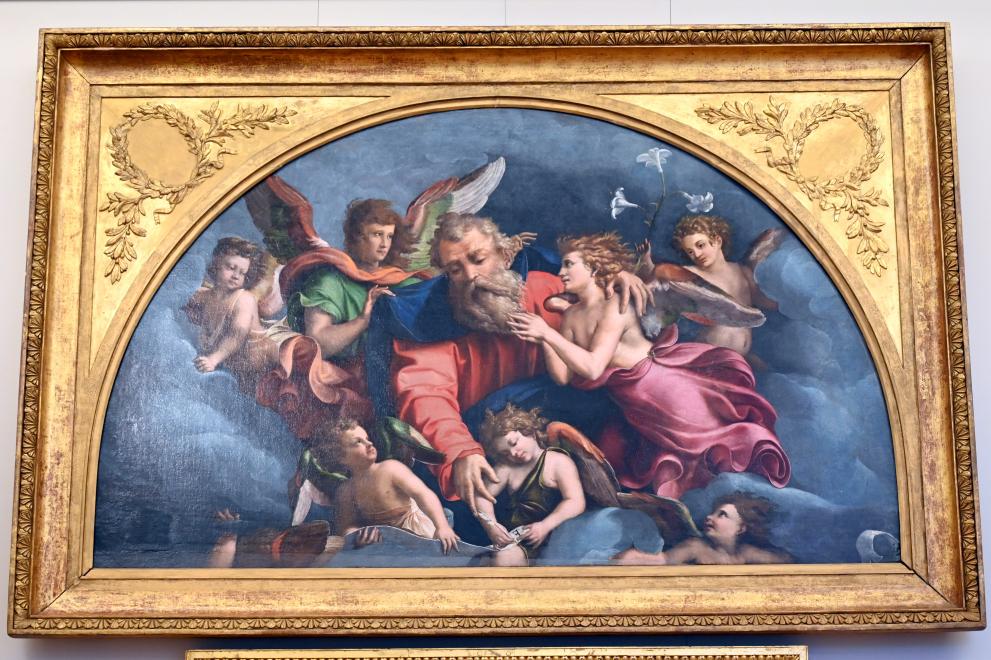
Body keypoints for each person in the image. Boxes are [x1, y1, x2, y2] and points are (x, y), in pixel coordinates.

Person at [389, 213, 650, 511]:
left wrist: (615, 279)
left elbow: (597, 309)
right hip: (489, 445)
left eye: (478, 259)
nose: (471, 275)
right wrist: (460, 451)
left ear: (505, 256)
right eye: (456, 270)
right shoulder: (430, 324)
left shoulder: (546, 289)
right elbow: (424, 395)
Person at [508, 232, 790, 499]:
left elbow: (593, 368)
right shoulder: (571, 317)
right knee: (683, 464)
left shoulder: (615, 304)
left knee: (713, 445)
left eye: (569, 264)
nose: (561, 273)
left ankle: (747, 504)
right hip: (636, 405)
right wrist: (545, 336)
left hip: (664, 390)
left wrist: (548, 335)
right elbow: (562, 376)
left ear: (593, 267)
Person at [258, 199, 424, 436]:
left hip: (397, 377)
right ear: (356, 236)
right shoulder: (330, 280)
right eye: (377, 234)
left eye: (389, 236)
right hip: (344, 385)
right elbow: (319, 343)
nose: (384, 244)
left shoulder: (402, 282)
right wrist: (363, 320)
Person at [311, 418, 460, 553]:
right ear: (341, 458)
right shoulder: (346, 491)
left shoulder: (390, 468)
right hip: (383, 543)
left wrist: (442, 527)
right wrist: (357, 536)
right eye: (358, 442)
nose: (369, 444)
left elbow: (423, 495)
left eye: (367, 439)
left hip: (418, 532)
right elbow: (346, 526)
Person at [641, 215, 778, 357]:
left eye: (700, 245)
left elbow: (761, 300)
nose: (696, 254)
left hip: (738, 357)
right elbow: (663, 274)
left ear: (717, 240)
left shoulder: (742, 271)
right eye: (690, 252)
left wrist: (786, 304)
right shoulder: (691, 273)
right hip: (711, 354)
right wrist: (649, 265)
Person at [473, 404, 585, 566]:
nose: (513, 454)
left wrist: (544, 526)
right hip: (517, 539)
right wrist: (491, 525)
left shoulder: (557, 461)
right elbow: (482, 496)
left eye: (513, 443)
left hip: (554, 534)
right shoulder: (507, 467)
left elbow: (576, 501)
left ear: (529, 431)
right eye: (505, 453)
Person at [183, 236, 281, 392]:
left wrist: (213, 359)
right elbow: (179, 299)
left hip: (264, 361)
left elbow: (236, 335)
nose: (236, 276)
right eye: (231, 268)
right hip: (239, 367)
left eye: (242, 273)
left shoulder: (244, 299)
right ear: (216, 264)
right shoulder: (205, 295)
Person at [612, 492, 793, 564]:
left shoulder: (747, 553)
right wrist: (627, 558)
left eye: (722, 515)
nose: (709, 517)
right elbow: (662, 560)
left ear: (740, 529)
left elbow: (787, 562)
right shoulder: (696, 547)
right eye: (713, 513)